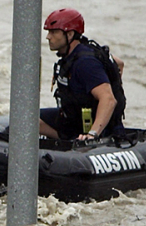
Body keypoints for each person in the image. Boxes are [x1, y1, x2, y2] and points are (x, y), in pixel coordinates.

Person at [39, 8, 126, 141]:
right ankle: (64, 140)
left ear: (69, 35)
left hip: (93, 128)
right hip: (72, 118)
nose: (48, 37)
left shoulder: (86, 63)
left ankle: (70, 140)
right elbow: (118, 63)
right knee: (26, 120)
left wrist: (92, 134)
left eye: (54, 32)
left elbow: (108, 100)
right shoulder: (74, 54)